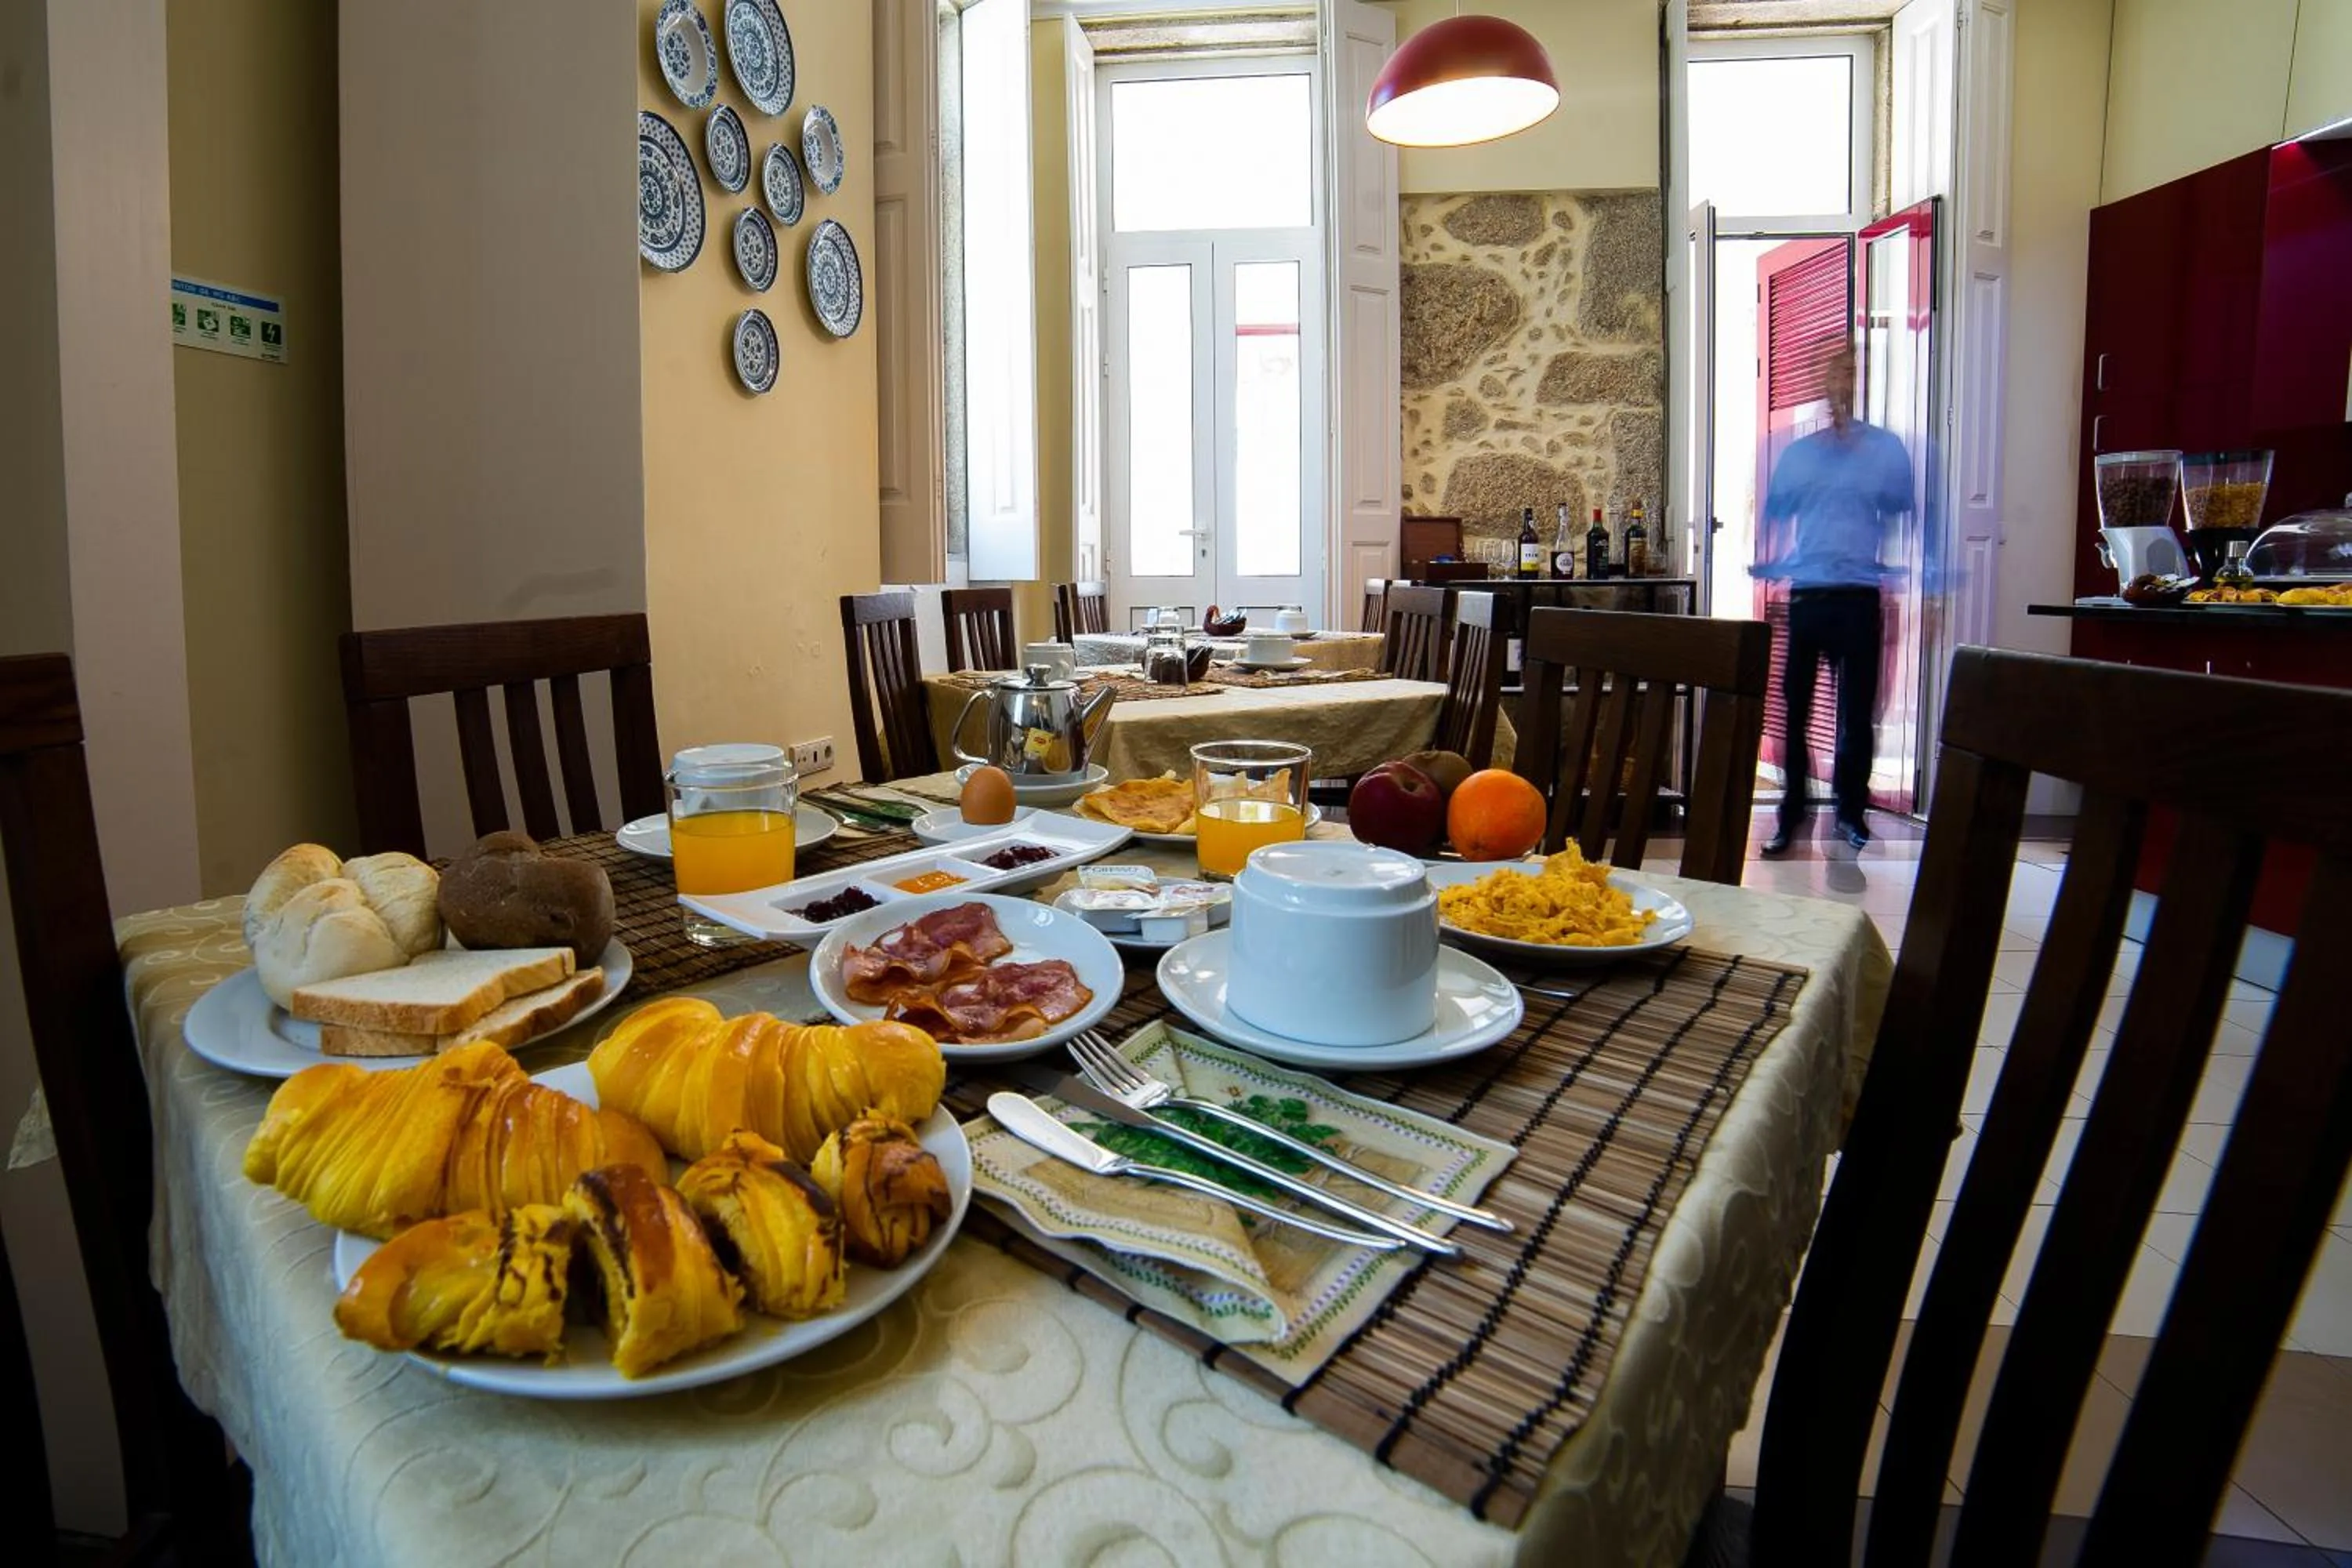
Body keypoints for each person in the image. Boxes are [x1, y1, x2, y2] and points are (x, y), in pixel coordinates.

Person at [1751, 340, 1915, 855]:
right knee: (1794, 711)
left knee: (1857, 714)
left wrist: (1919, 583)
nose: (1841, 383)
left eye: (1851, 373)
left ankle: (1850, 813)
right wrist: (1768, 567)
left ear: (1860, 381)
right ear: (1821, 383)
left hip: (1861, 599)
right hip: (1809, 599)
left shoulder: (1887, 451)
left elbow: (1905, 520)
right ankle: (1790, 815)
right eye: (1833, 373)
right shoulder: (1799, 455)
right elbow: (1773, 521)